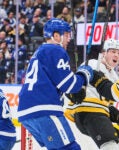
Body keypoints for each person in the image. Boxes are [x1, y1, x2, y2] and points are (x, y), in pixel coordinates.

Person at [17, 18, 94, 150]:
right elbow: (69, 85)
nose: (69, 39)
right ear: (56, 36)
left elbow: (53, 83)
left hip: (26, 113)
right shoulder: (55, 50)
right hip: (44, 110)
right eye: (66, 34)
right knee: (69, 148)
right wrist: (84, 75)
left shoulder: (40, 52)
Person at [65, 39, 119, 150]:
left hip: (99, 114)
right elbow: (75, 80)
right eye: (112, 51)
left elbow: (106, 105)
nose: (116, 55)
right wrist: (75, 90)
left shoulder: (114, 77)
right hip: (88, 112)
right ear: (104, 53)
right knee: (110, 146)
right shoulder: (93, 64)